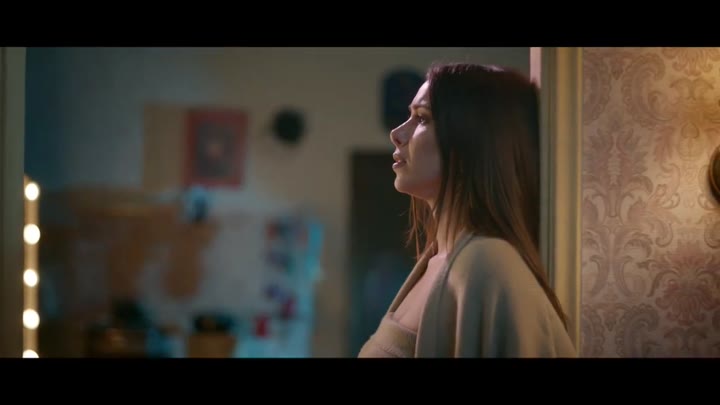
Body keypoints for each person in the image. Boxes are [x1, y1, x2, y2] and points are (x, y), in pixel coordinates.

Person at [357, 62, 577, 358]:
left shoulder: (487, 262)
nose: (396, 133)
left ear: (472, 139)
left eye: (421, 118)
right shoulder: (437, 258)